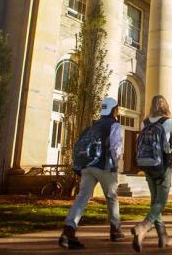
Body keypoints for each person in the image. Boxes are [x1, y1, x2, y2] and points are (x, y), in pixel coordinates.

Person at [59, 97, 124, 249]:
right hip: (104, 166)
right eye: (117, 109)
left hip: (87, 166)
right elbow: (116, 148)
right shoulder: (114, 125)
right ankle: (116, 230)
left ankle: (68, 231)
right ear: (114, 110)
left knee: (82, 197)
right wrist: (116, 163)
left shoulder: (93, 125)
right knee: (112, 197)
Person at [131, 95, 172, 253]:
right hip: (163, 166)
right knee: (161, 203)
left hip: (147, 166)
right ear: (166, 106)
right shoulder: (169, 122)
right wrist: (170, 149)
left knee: (155, 202)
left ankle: (163, 236)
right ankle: (143, 227)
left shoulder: (145, 122)